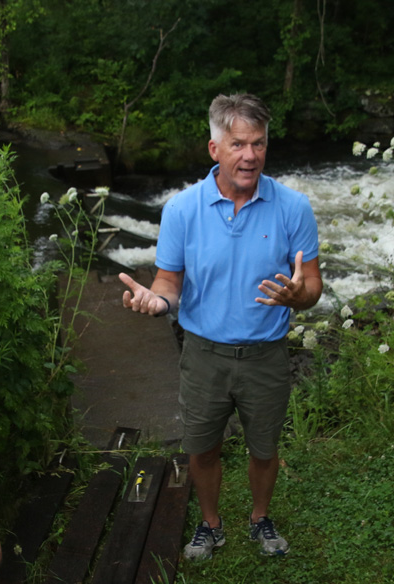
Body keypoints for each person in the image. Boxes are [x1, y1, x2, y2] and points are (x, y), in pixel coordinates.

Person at [119, 93, 322, 560]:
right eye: (237, 145)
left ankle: (260, 518)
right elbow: (168, 282)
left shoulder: (293, 208)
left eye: (258, 144)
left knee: (264, 447)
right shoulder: (182, 210)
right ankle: (210, 524)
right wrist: (156, 301)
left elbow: (312, 285)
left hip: (266, 355)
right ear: (215, 149)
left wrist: (300, 297)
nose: (249, 155)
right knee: (202, 447)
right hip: (203, 353)